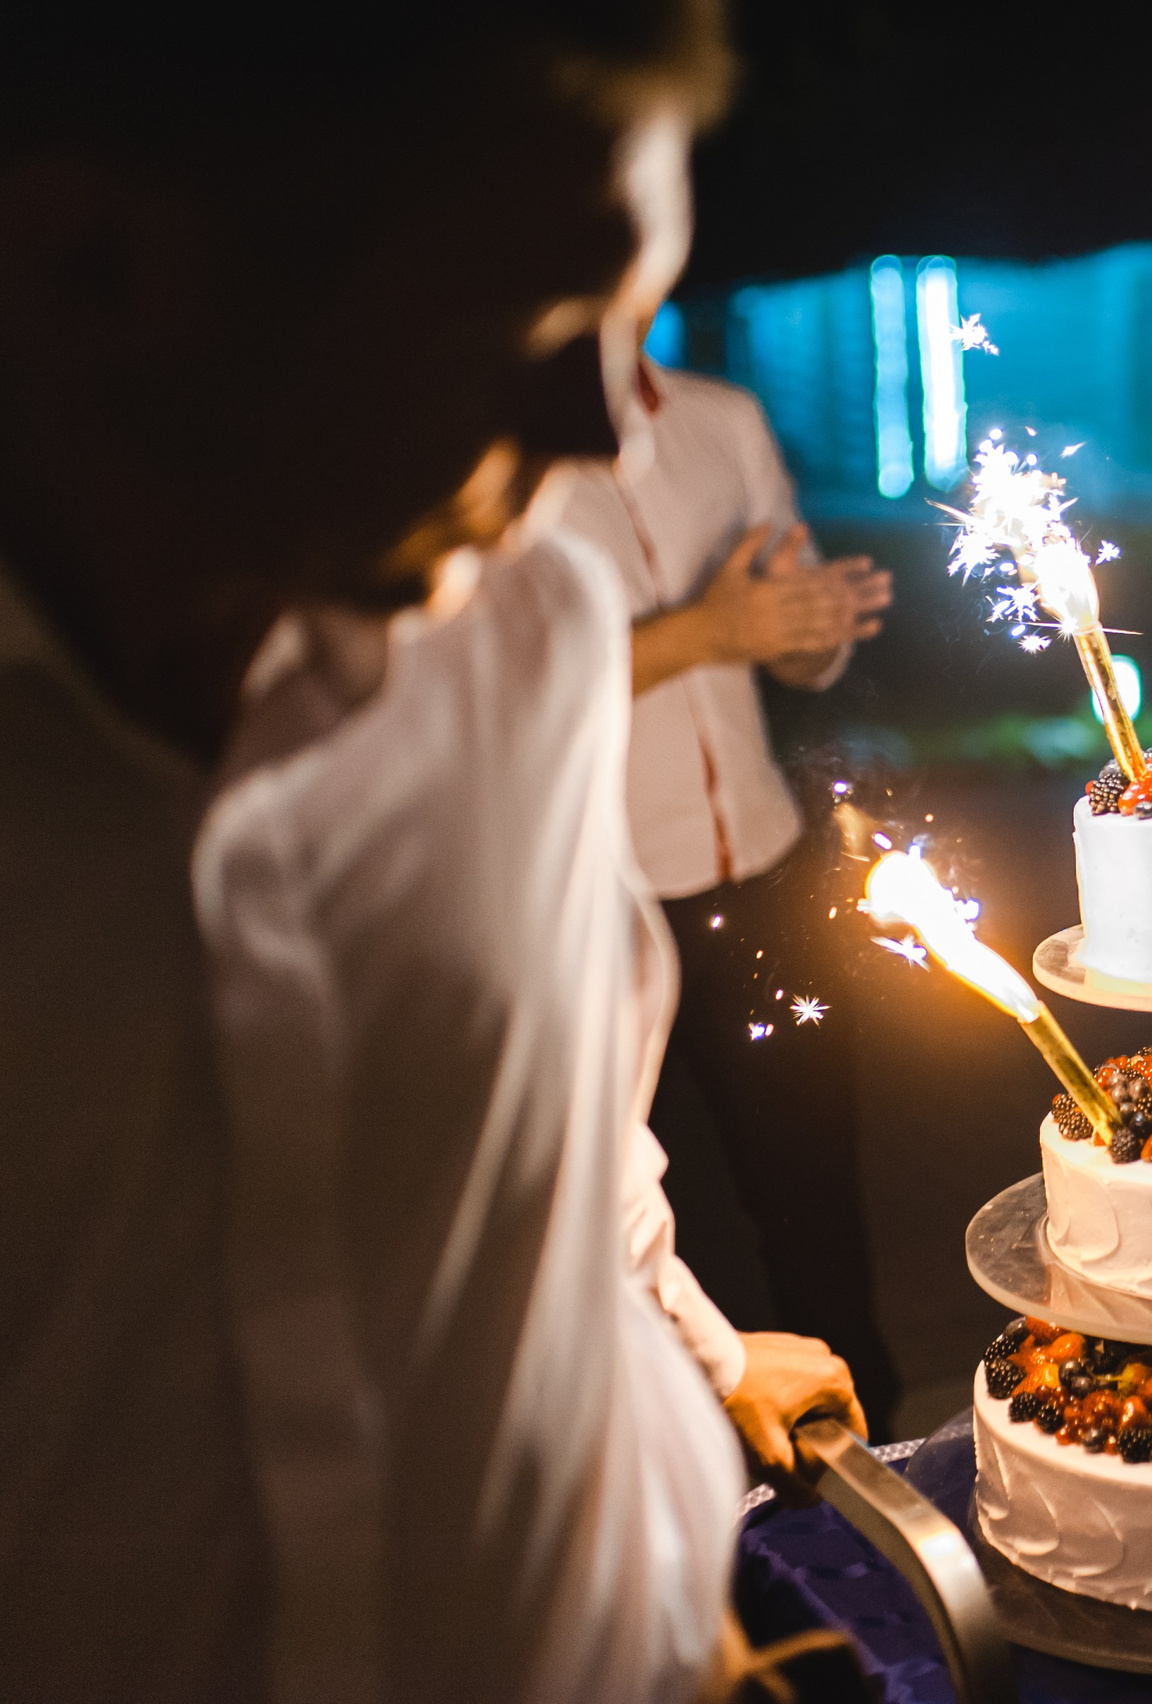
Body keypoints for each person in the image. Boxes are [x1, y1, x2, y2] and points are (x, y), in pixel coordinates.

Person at [0, 4, 849, 1698]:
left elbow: (559, 1132)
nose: (609, 430)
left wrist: (684, 1373)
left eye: (631, 312)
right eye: (529, 322)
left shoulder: (530, 637)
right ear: (107, 266)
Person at [548, 348, 902, 1419]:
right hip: (595, 896)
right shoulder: (490, 455)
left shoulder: (720, 418)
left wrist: (811, 634)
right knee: (606, 1219)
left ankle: (867, 1453)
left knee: (814, 1196)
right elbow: (503, 692)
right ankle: (667, 1470)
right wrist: (709, 630)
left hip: (761, 866)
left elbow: (789, 631)